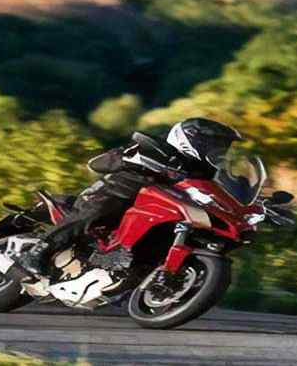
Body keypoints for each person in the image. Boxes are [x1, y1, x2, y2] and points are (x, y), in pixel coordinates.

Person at [14, 117, 243, 280]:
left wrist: (257, 207)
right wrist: (128, 158)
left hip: (157, 208)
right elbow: (99, 163)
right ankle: (38, 253)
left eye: (222, 150)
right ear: (193, 140)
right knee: (100, 209)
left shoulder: (202, 174)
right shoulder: (154, 148)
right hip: (117, 193)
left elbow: (216, 194)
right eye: (215, 147)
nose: (219, 154)